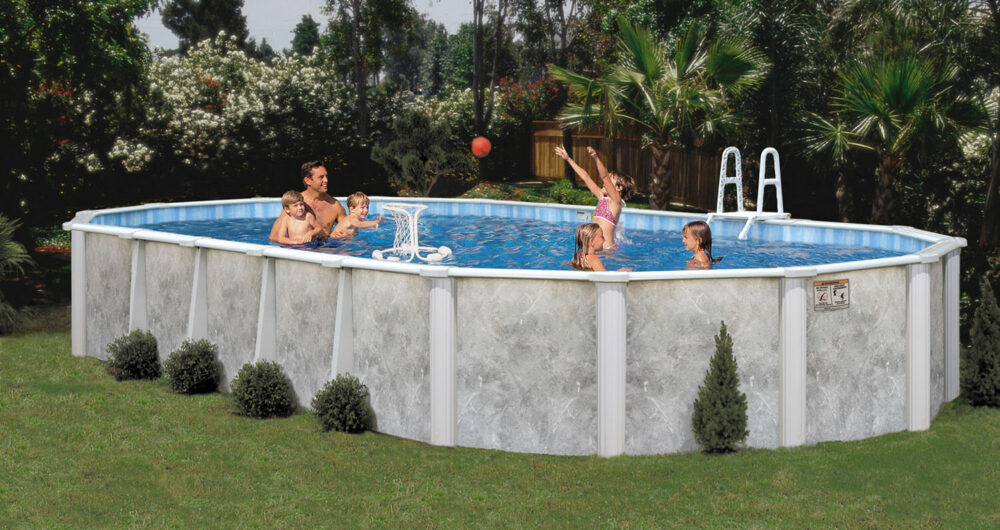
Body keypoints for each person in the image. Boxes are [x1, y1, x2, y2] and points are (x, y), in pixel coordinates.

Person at [554, 145, 635, 249]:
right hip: (595, 248)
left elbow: (604, 176)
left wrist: (596, 157)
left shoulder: (616, 201)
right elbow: (585, 177)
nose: (605, 183)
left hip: (607, 250)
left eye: (610, 180)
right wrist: (568, 159)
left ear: (619, 188)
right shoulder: (602, 197)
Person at [269, 160, 348, 241]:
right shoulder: (294, 203)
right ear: (308, 181)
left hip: (326, 247)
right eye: (321, 177)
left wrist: (336, 236)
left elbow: (348, 234)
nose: (326, 180)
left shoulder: (335, 206)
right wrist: (296, 243)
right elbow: (274, 237)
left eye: (326, 176)